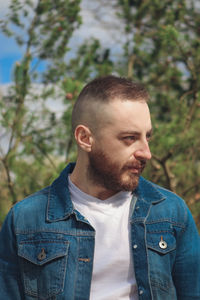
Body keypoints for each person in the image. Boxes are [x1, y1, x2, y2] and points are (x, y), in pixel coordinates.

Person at [0, 75, 199, 300]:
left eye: (147, 137)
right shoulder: (25, 220)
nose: (146, 153)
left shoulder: (172, 213)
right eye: (129, 138)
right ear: (85, 138)